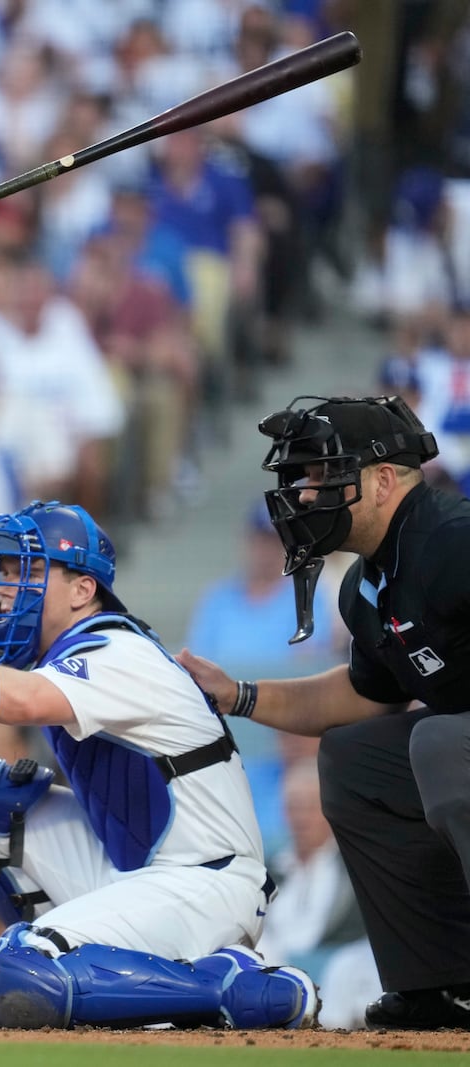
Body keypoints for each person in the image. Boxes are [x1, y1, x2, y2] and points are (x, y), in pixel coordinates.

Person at [0, 500, 320, 1030]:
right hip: (137, 871)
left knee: (4, 980)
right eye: (8, 572)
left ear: (83, 590)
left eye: (30, 571)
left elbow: (23, 701)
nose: (4, 588)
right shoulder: (76, 650)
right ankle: (83, 972)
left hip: (205, 884)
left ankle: (231, 986)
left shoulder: (114, 648)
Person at [179, 394, 470, 1030]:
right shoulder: (365, 583)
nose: (306, 495)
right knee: (354, 756)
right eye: (302, 480)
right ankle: (439, 984)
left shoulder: (454, 539)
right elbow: (362, 696)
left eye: (321, 476)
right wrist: (240, 695)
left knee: (442, 744)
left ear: (384, 479)